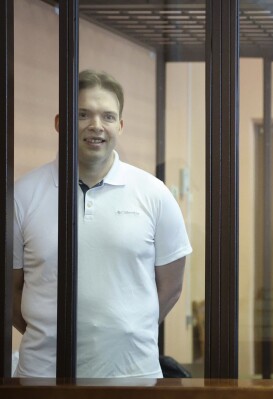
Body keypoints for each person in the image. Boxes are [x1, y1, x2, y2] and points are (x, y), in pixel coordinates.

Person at [12, 70, 192, 378]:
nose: (96, 126)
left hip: (133, 375)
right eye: (83, 114)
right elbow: (9, 289)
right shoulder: (23, 194)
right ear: (60, 123)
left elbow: (171, 287)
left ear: (120, 126)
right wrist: (50, 335)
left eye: (108, 116)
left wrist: (129, 330)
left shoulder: (154, 194)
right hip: (43, 377)